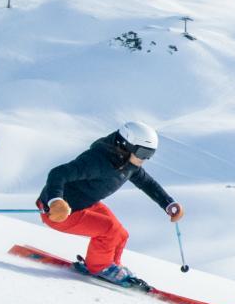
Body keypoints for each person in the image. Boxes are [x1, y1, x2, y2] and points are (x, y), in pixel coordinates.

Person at [37, 120, 182, 291]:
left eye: (150, 154)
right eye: (143, 152)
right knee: (109, 230)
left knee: (120, 234)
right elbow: (58, 173)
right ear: (126, 144)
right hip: (59, 212)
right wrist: (55, 201)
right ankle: (100, 267)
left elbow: (146, 182)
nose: (145, 159)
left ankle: (111, 265)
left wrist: (168, 203)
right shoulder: (97, 161)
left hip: (84, 203)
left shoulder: (129, 162)